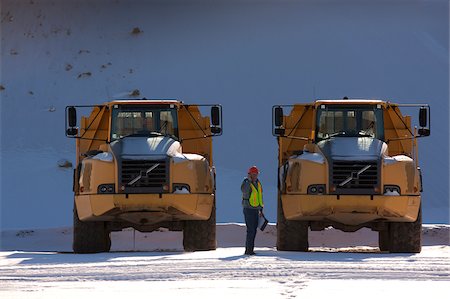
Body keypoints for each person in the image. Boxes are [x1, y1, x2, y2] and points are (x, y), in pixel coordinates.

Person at [241, 166, 264, 255]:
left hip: (256, 210)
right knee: (251, 230)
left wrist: (261, 209)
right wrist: (249, 181)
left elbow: (260, 196)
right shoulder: (246, 183)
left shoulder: (258, 183)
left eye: (256, 174)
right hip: (248, 209)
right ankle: (248, 250)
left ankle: (251, 249)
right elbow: (245, 191)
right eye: (253, 174)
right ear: (249, 174)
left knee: (254, 230)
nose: (255, 176)